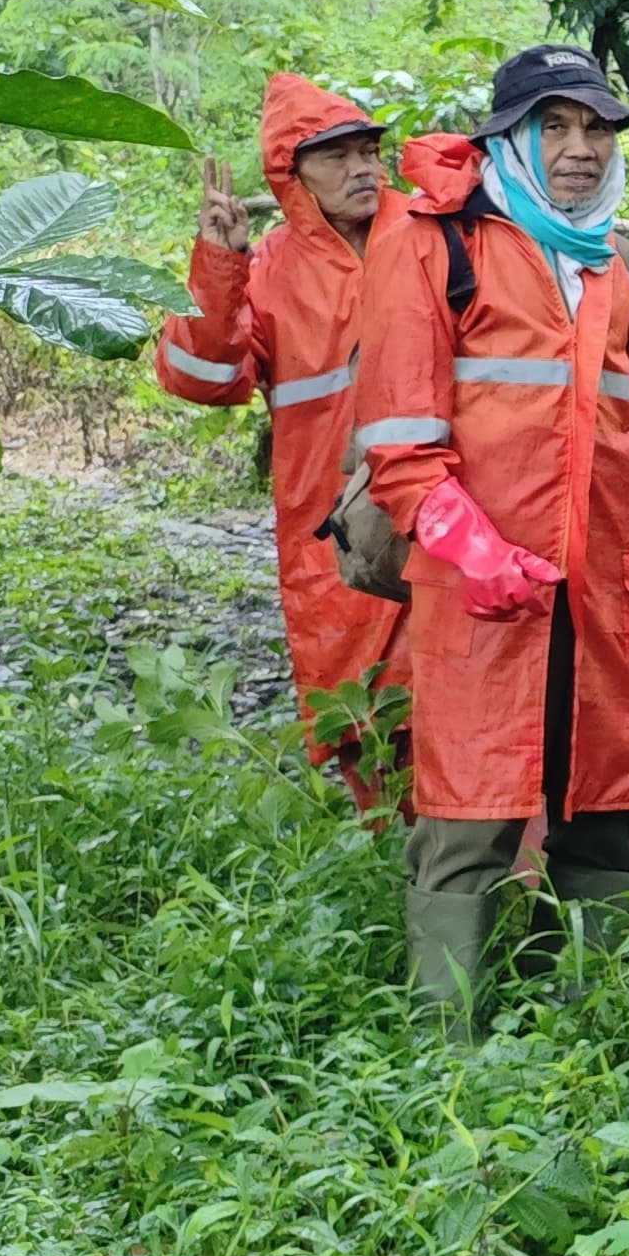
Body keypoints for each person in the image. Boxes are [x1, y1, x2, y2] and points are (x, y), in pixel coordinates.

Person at [348, 46, 629, 1014]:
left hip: (597, 596)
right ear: (508, 136)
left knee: (604, 809)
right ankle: (452, 1054)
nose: (580, 148)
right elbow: (399, 447)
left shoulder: (610, 265)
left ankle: (587, 1029)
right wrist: (476, 549)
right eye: (555, 126)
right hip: (480, 597)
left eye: (596, 128)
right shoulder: (434, 243)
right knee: (469, 821)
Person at [154, 74, 403, 781]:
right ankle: (402, 878)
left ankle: (495, 880)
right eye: (338, 157)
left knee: (473, 703)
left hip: (445, 513)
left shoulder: (427, 237)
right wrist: (219, 266)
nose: (362, 169)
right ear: (292, 176)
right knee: (362, 720)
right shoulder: (263, 272)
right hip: (337, 531)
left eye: (368, 151)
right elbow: (199, 379)